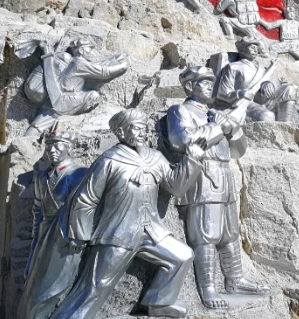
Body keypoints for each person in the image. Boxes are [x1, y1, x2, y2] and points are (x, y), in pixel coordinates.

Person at [22, 109, 205, 319]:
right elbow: (86, 198)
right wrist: (79, 234)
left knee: (182, 256)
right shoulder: (109, 160)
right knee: (96, 287)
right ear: (121, 132)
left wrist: (192, 159)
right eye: (136, 128)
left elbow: (176, 186)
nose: (143, 132)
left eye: (144, 127)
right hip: (117, 234)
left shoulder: (155, 158)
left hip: (151, 231)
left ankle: (158, 301)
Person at [167, 66, 269, 310]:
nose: (209, 87)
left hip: (224, 174)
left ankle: (235, 279)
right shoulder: (180, 111)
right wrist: (217, 128)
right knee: (206, 234)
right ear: (189, 86)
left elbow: (238, 150)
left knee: (230, 233)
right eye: (203, 82)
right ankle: (208, 287)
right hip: (202, 175)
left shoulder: (214, 113)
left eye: (211, 82)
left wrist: (232, 129)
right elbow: (181, 140)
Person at [24, 38, 129, 137]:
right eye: (89, 49)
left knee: (38, 125)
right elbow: (103, 72)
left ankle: (26, 138)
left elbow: (98, 67)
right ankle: (78, 121)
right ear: (81, 50)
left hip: (54, 99)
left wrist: (113, 60)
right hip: (66, 100)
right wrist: (122, 67)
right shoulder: (79, 63)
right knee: (93, 95)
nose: (91, 52)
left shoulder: (74, 62)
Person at [24, 131, 86, 279]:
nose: (51, 150)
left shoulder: (79, 174)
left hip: (65, 234)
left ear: (69, 148)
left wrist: (78, 235)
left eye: (57, 146)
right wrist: (35, 237)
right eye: (48, 147)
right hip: (44, 232)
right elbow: (37, 208)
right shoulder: (41, 176)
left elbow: (83, 208)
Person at [215, 36, 296, 122]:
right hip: (248, 103)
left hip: (264, 100)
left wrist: (273, 83)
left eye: (257, 48)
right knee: (267, 116)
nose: (256, 50)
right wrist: (239, 93)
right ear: (242, 49)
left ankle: (287, 125)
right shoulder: (233, 67)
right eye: (252, 47)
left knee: (290, 89)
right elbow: (222, 94)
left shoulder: (262, 68)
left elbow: (271, 82)